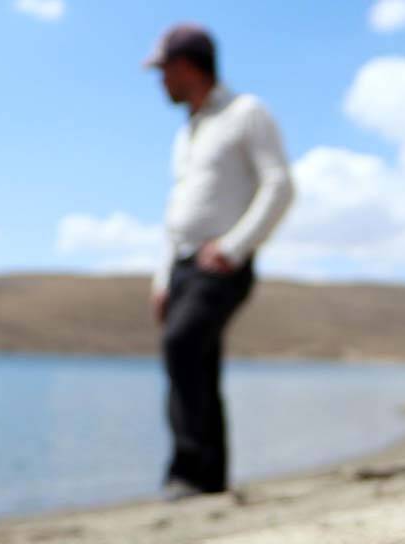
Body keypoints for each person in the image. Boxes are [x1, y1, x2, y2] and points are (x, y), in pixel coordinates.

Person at [144, 24, 295, 498]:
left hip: (222, 263)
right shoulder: (188, 132)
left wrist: (233, 247)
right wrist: (162, 276)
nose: (159, 80)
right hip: (183, 266)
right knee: (196, 361)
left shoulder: (245, 113)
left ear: (187, 66)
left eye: (163, 70)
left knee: (182, 345)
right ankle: (209, 478)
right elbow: (177, 213)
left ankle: (189, 470)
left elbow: (279, 185)